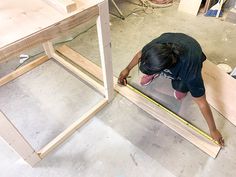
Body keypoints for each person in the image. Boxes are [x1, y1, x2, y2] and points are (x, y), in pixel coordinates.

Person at [118, 33, 224, 146]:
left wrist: (213, 130)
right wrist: (127, 69)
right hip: (171, 39)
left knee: (180, 90)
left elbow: (202, 102)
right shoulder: (154, 49)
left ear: (165, 67)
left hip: (191, 48)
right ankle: (153, 73)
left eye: (154, 69)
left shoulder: (189, 69)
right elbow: (140, 54)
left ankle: (169, 79)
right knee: (149, 68)